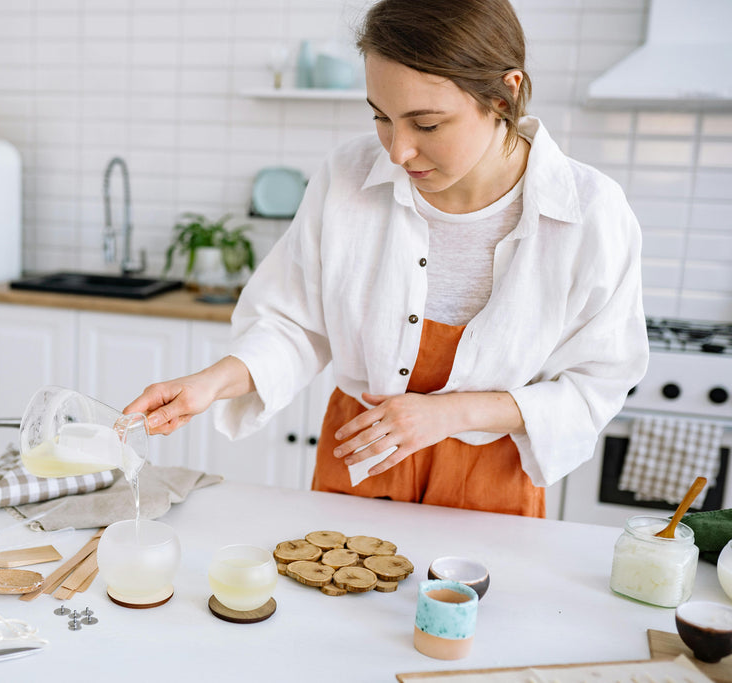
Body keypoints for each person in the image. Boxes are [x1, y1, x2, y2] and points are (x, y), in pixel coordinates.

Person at [124, 0, 649, 518]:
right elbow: (295, 324)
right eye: (382, 118)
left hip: (492, 480)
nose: (397, 152)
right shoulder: (348, 176)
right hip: (359, 460)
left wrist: (448, 414)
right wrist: (209, 384)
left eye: (427, 125)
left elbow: (596, 384)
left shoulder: (590, 214)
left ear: (504, 95)